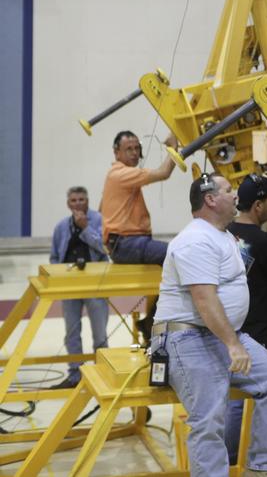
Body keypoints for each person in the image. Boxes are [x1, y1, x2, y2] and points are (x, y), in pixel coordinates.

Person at [154, 173, 267, 477]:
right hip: (187, 338)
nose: (235, 196)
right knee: (209, 418)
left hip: (219, 335)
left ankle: (260, 470)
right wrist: (233, 344)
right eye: (229, 190)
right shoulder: (195, 239)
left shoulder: (224, 235)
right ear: (211, 199)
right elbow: (204, 300)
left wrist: (233, 339)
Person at [225, 174, 267, 463]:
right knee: (263, 394)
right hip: (256, 334)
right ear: (257, 205)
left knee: (231, 402)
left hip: (226, 331)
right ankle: (256, 462)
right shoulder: (264, 241)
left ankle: (230, 460)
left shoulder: (223, 232)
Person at [50, 185, 109, 387]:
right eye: (74, 200)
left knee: (100, 333)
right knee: (72, 332)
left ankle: (103, 373)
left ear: (88, 201)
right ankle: (75, 375)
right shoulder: (60, 227)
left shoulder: (99, 221)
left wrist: (85, 227)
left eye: (81, 199)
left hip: (95, 284)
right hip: (70, 285)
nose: (78, 204)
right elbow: (54, 257)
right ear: (68, 204)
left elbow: (104, 247)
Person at [100, 130, 178, 264]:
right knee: (178, 253)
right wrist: (174, 148)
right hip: (127, 244)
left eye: (137, 148)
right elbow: (164, 173)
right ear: (116, 152)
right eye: (129, 149)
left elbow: (100, 208)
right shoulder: (121, 174)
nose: (135, 153)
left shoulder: (114, 175)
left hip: (125, 244)